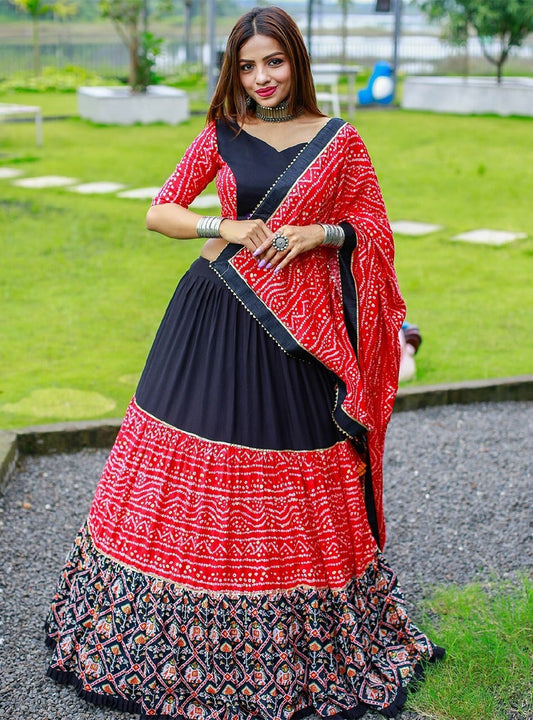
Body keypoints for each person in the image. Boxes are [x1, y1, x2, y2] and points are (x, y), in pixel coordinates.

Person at [45, 6, 443, 719]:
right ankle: (158, 635)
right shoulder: (222, 134)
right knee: (181, 471)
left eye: (275, 61)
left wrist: (320, 233)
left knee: (290, 466)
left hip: (295, 336)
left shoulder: (340, 142)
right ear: (235, 70)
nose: (261, 78)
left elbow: (373, 227)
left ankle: (292, 638)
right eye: (249, 65)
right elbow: (158, 211)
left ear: (296, 61)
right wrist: (221, 224)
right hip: (212, 312)